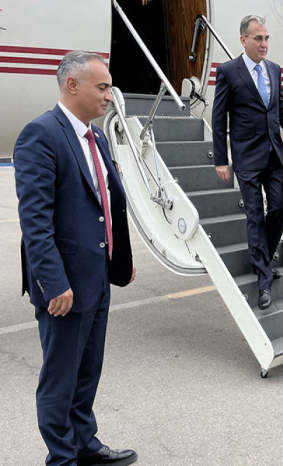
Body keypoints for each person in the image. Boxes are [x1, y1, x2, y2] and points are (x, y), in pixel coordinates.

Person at [14, 51, 137, 466]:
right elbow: (35, 222)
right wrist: (54, 283)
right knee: (60, 381)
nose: (109, 96)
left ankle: (85, 444)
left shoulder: (96, 137)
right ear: (72, 85)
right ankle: (62, 458)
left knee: (87, 374)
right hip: (64, 285)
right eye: (102, 87)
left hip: (97, 277)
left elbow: (106, 203)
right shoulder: (41, 135)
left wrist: (119, 256)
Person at [212, 15, 283, 310]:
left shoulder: (274, 70)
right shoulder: (227, 71)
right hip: (247, 158)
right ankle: (264, 281)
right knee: (253, 215)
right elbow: (218, 117)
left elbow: (280, 106)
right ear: (243, 40)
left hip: (274, 154)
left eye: (266, 38)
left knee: (277, 208)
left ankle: (261, 257)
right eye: (258, 39)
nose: (264, 44)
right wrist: (222, 160)